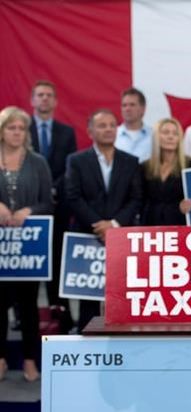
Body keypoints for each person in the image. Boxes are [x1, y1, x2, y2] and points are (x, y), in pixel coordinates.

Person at [66, 109, 142, 331]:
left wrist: (114, 225)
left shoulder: (131, 161)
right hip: (87, 237)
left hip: (121, 237)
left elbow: (136, 198)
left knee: (122, 297)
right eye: (102, 125)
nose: (108, 129)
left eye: (111, 125)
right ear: (90, 131)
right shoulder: (76, 160)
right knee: (88, 300)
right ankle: (87, 354)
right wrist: (99, 225)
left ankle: (124, 353)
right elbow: (73, 196)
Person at [0, 106, 53, 382]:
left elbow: (49, 202)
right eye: (12, 128)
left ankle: (30, 360)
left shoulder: (38, 162)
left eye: (21, 128)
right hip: (0, 247)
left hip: (29, 248)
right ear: (2, 130)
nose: (17, 133)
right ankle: (1, 359)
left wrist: (28, 211)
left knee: (28, 304)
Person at [29, 80, 77, 334]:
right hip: (28, 210)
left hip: (58, 207)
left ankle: (62, 313)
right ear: (32, 100)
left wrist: (52, 190)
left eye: (49, 95)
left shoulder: (66, 132)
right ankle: (24, 314)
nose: (45, 99)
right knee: (29, 261)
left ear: (55, 101)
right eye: (40, 95)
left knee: (58, 260)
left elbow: (68, 167)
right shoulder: (19, 128)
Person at [141, 118, 191, 226]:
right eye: (165, 132)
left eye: (175, 133)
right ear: (157, 137)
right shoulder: (145, 167)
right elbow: (141, 201)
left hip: (179, 224)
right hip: (151, 225)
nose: (170, 137)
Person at [115, 87, 153, 162]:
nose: (127, 109)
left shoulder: (154, 136)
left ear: (143, 109)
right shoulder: (113, 135)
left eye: (132, 105)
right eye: (124, 105)